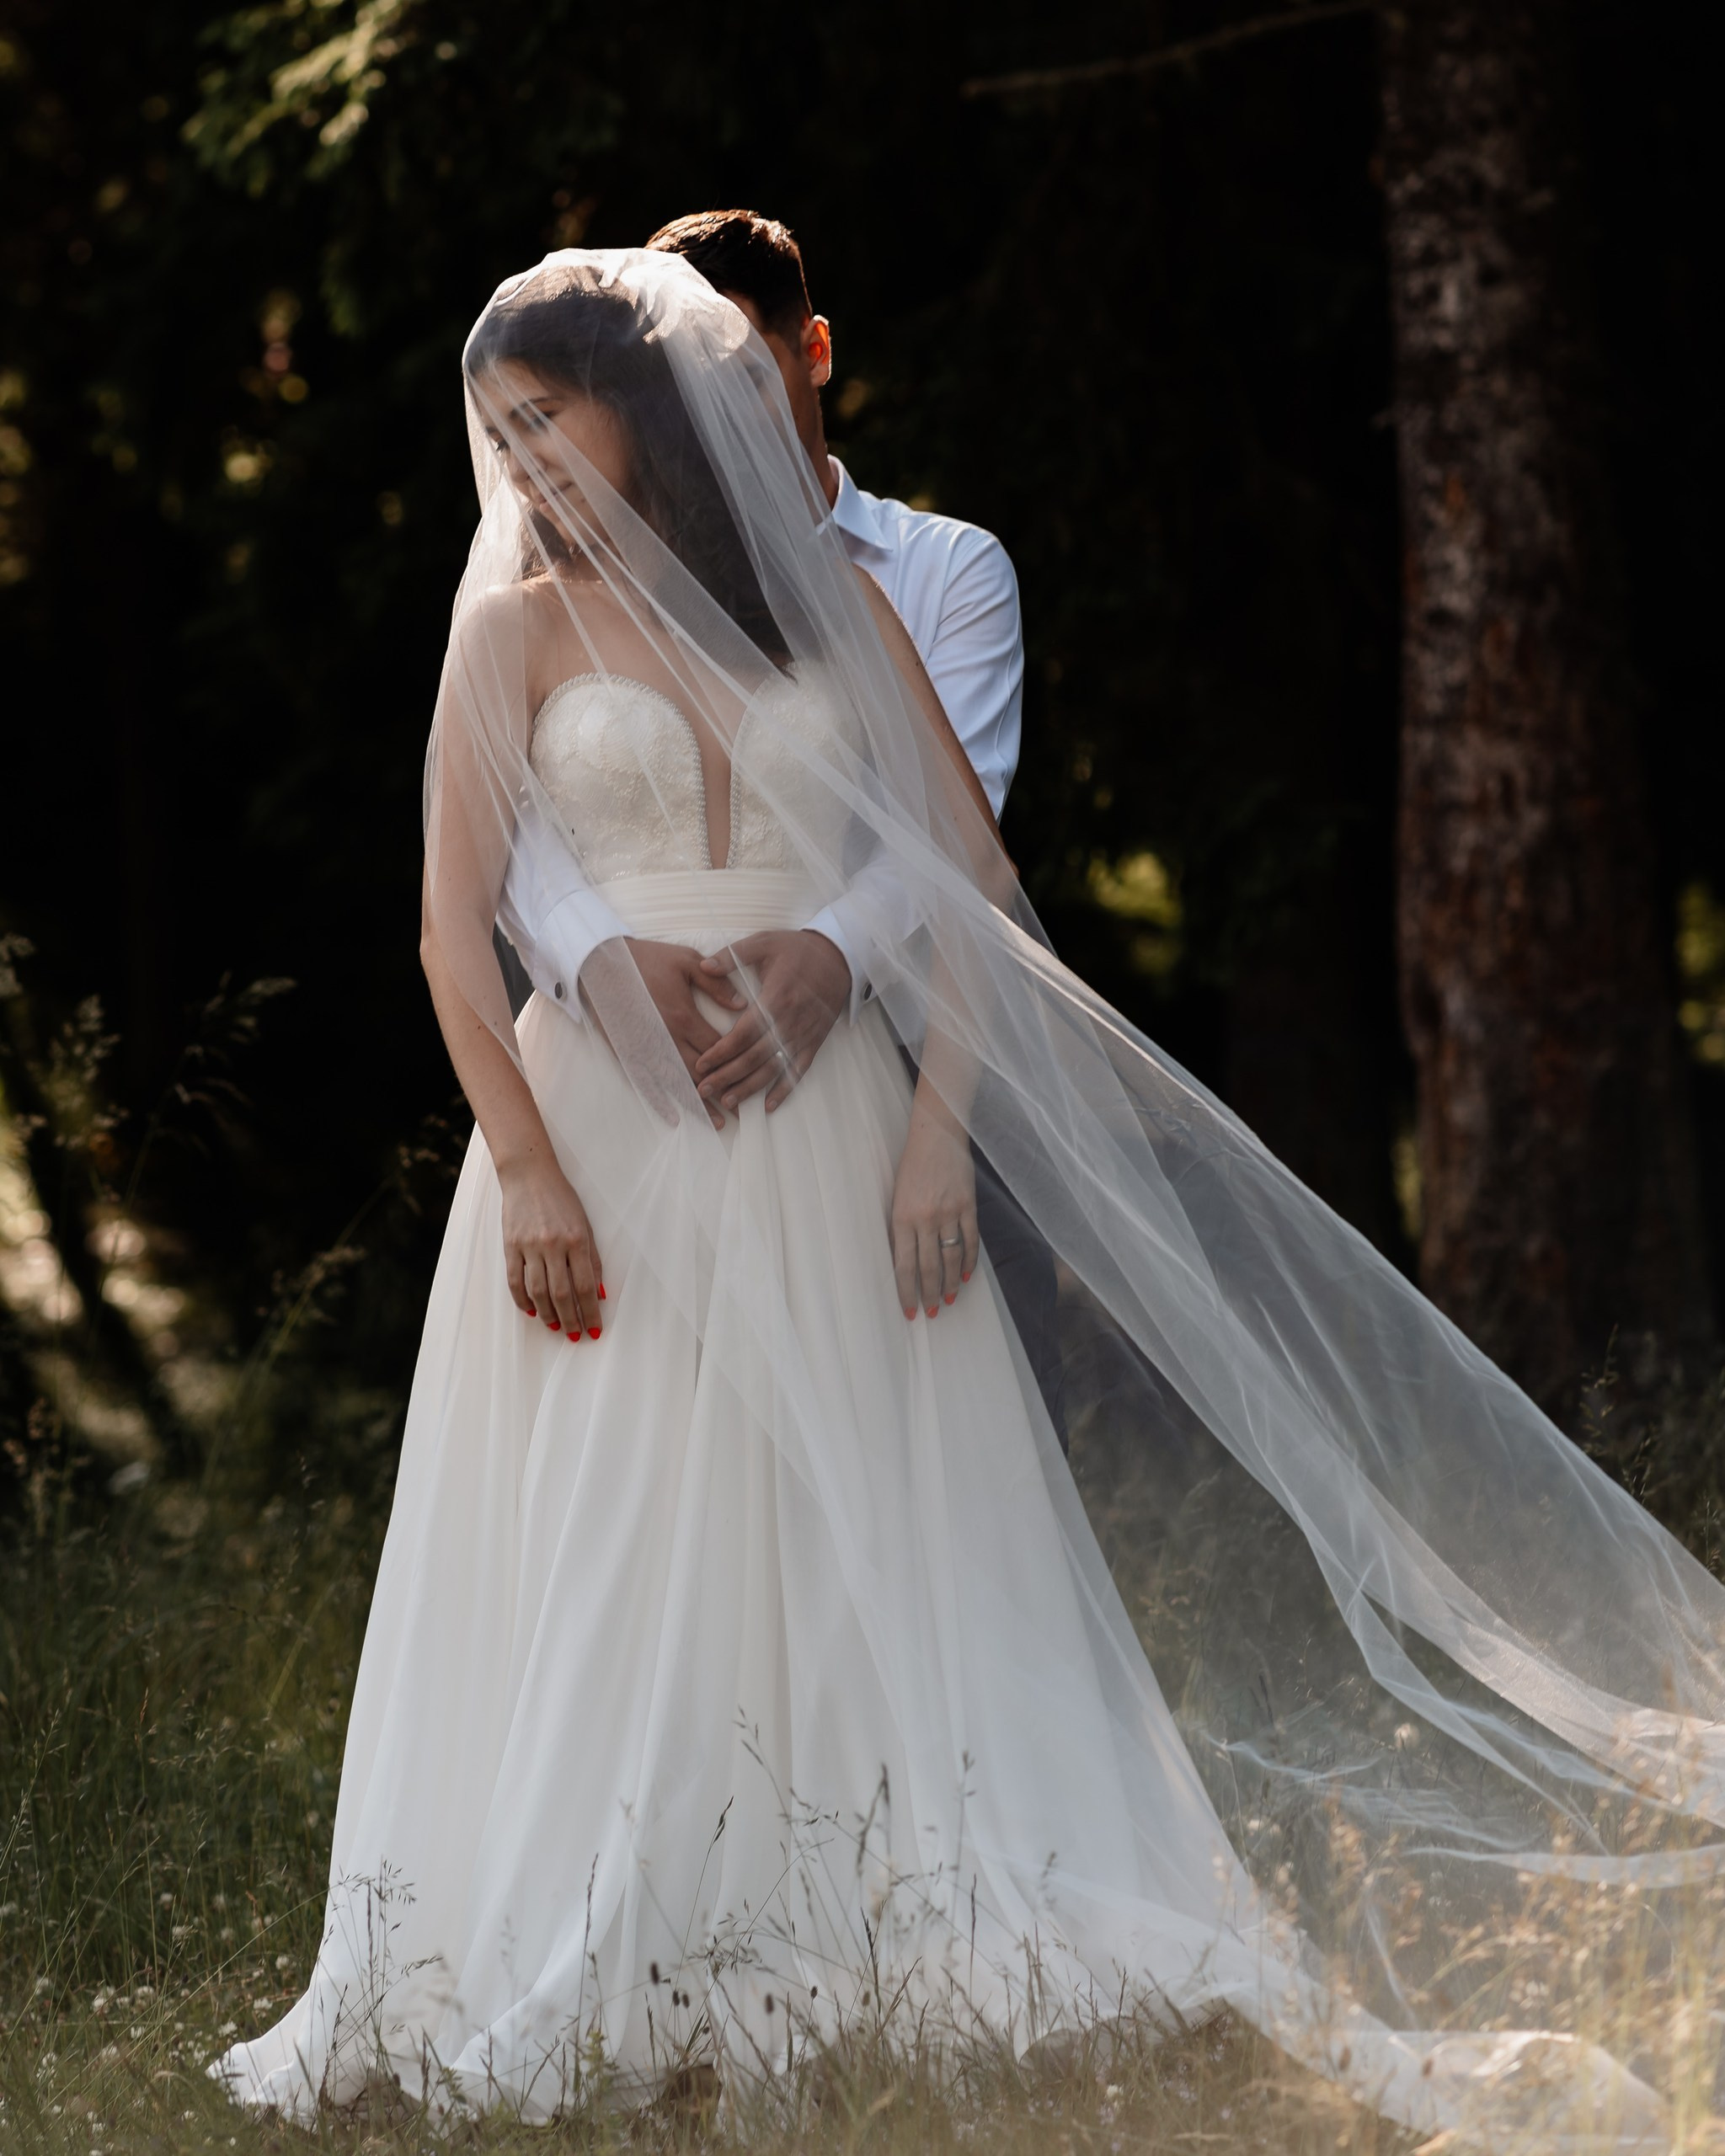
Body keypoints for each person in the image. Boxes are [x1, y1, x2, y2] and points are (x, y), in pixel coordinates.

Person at [213, 251, 1722, 2148]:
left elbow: (971, 889)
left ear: (645, 413)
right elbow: (447, 929)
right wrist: (523, 1161)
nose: (519, 460)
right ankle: (606, 1910)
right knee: (621, 1520)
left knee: (866, 1529)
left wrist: (938, 1127)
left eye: (548, 419)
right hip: (604, 1144)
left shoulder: (836, 607)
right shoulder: (509, 630)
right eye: (495, 430)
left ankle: (876, 1884)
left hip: (838, 1134)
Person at [499, 209, 1063, 1434]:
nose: (719, 409)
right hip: (641, 1056)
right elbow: (527, 833)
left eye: (743, 367)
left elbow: (954, 837)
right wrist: (599, 957)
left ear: (810, 352)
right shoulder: (565, 600)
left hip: (898, 1054)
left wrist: (835, 955)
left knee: (928, 1446)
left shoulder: (932, 573)